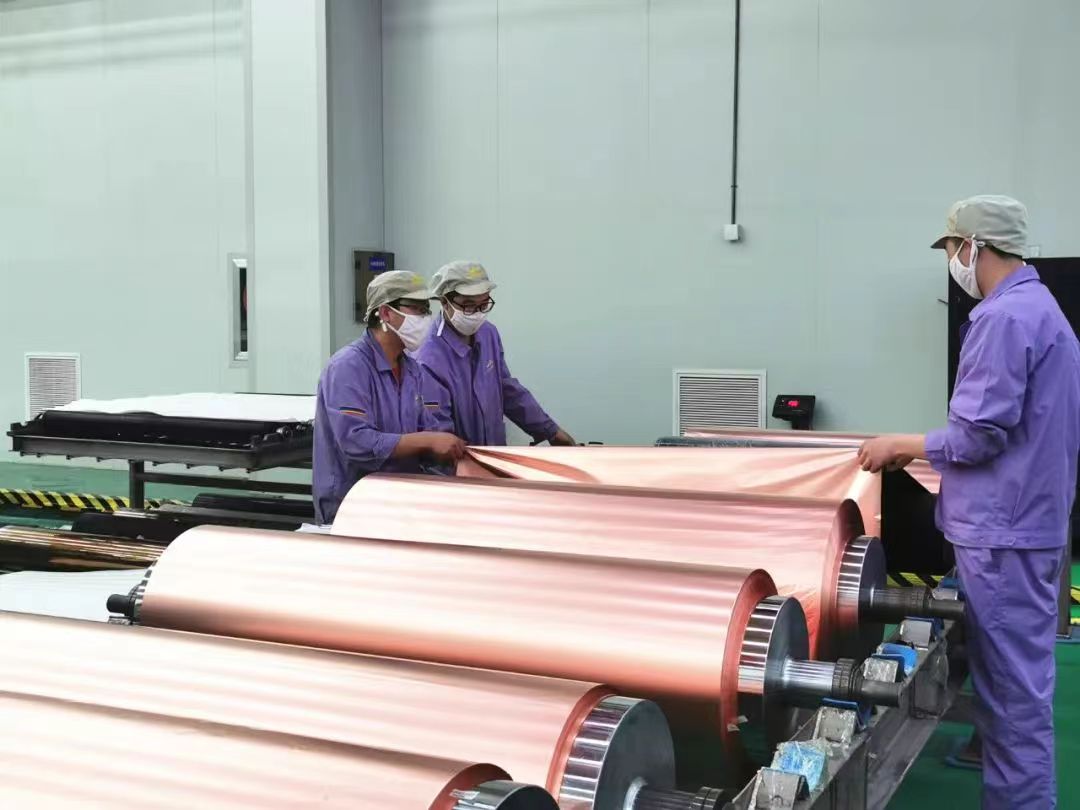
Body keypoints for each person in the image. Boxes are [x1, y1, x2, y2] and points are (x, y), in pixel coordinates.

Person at [857, 195, 1080, 810]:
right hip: (1027, 527)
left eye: (953, 248)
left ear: (975, 247)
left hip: (1003, 537)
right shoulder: (1044, 311)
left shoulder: (1004, 319)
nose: (952, 261)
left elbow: (979, 434)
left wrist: (904, 445)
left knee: (1012, 702)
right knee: (1020, 689)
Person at [313, 270, 466, 523]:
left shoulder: (412, 370)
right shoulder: (348, 367)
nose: (425, 318)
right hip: (352, 507)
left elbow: (427, 427)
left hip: (398, 505)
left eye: (427, 310)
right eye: (417, 309)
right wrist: (427, 441)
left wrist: (449, 449)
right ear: (385, 313)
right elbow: (356, 442)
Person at [416, 260, 576, 447]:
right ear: (445, 302)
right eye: (468, 305)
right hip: (459, 460)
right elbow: (438, 435)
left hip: (494, 451)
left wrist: (550, 430)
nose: (477, 314)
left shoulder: (488, 334)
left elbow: (507, 390)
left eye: (484, 305)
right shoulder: (428, 358)